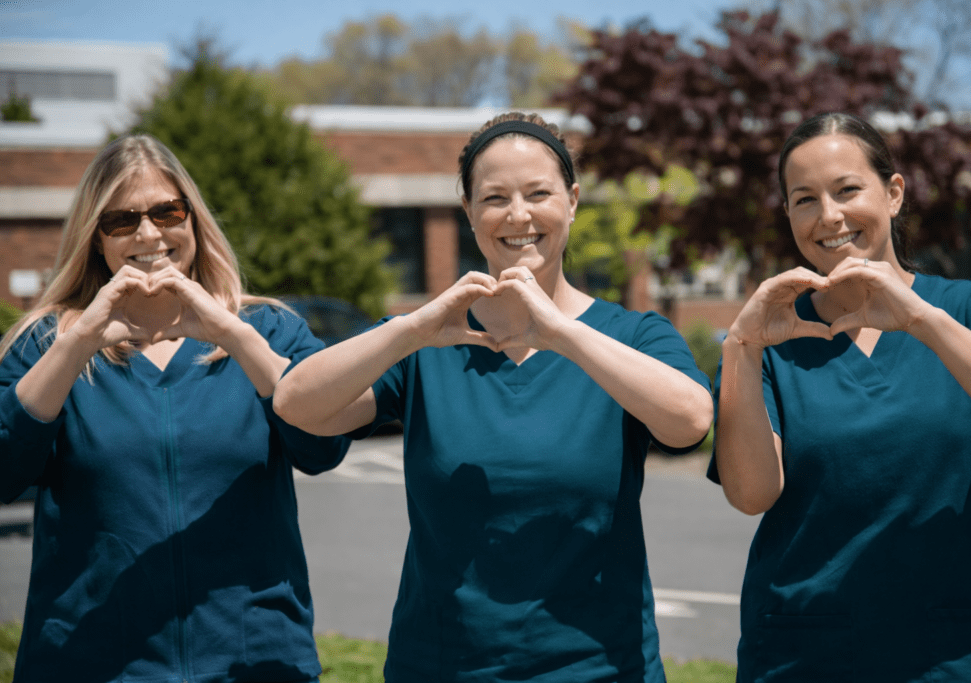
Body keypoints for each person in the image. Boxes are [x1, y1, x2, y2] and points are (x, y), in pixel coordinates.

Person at [274, 112, 714, 682]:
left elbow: (691, 422)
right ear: (468, 211)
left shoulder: (632, 336)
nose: (518, 215)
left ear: (573, 201)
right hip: (439, 668)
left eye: (538, 194)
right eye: (495, 198)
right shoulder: (427, 343)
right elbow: (296, 404)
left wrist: (561, 334)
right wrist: (411, 328)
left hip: (600, 668)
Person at [0, 134, 350, 682]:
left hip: (255, 663)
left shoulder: (270, 329)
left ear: (193, 220)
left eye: (167, 212)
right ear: (95, 238)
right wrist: (78, 342)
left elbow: (324, 445)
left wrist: (230, 333)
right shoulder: (46, 346)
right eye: (122, 220)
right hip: (90, 666)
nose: (149, 233)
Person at [711, 111, 971, 682]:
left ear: (894, 192)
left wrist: (923, 322)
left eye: (847, 189)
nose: (829, 216)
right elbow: (751, 492)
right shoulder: (772, 337)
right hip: (805, 654)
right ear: (787, 215)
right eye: (804, 199)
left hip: (966, 652)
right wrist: (740, 345)